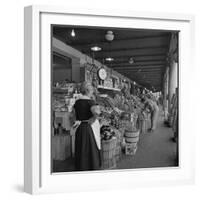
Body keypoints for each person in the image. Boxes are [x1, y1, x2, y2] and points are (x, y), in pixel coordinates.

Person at [72, 82, 102, 171]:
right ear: (88, 91)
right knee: (90, 148)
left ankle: (81, 166)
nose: (92, 92)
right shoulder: (91, 102)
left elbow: (73, 115)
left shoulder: (77, 102)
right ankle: (91, 166)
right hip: (89, 128)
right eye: (92, 90)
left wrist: (77, 121)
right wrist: (93, 119)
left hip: (80, 128)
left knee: (81, 148)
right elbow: (97, 113)